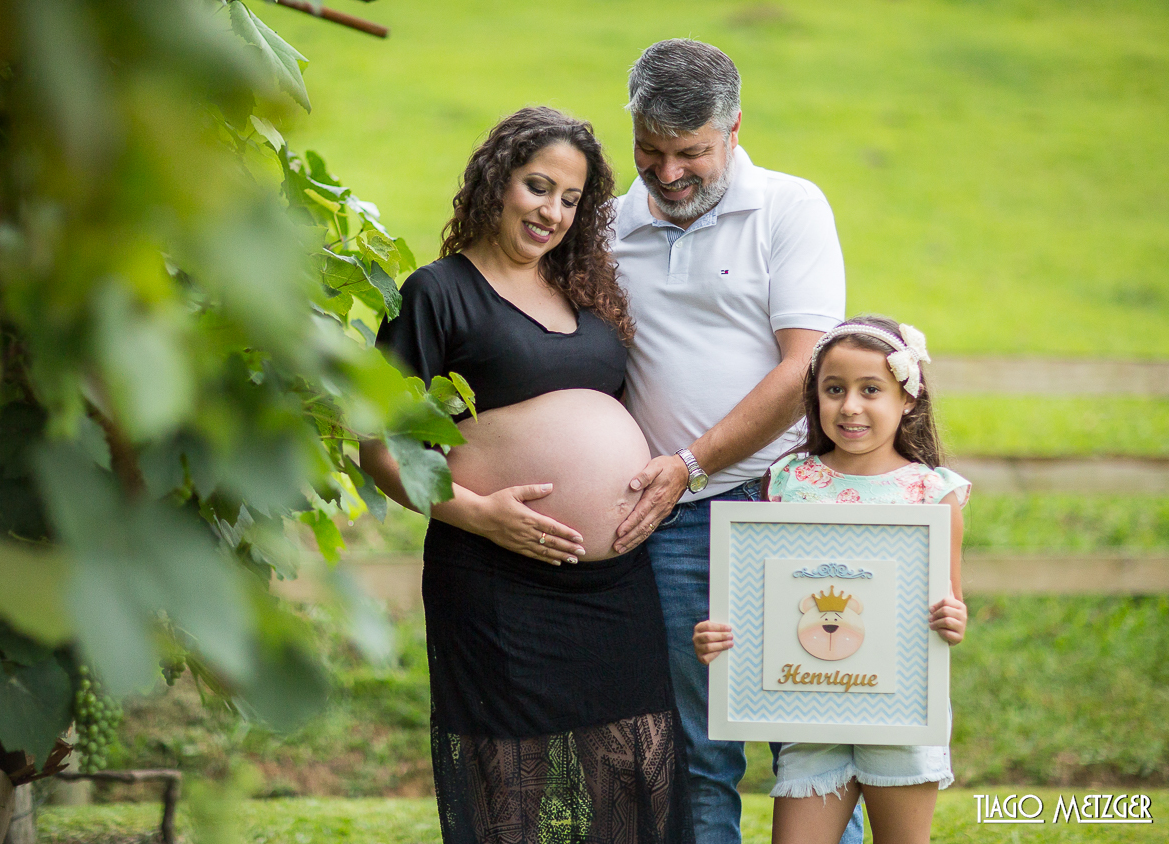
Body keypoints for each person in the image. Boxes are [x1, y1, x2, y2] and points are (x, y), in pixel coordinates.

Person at [361, 106, 694, 844]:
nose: (552, 212)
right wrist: (478, 514)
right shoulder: (436, 293)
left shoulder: (583, 290)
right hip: (494, 576)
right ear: (495, 182)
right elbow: (378, 446)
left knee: (635, 776)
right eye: (538, 188)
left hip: (614, 584)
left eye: (571, 199)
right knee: (509, 790)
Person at [608, 39, 861, 844]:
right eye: (650, 150)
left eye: (691, 152)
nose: (669, 172)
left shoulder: (790, 208)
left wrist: (691, 463)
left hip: (784, 509)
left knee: (811, 747)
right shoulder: (608, 226)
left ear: (735, 128)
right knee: (693, 753)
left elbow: (805, 367)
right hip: (670, 525)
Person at [693, 315, 970, 844]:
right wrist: (722, 637)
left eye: (871, 389)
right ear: (815, 397)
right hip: (809, 710)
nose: (850, 406)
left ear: (908, 397)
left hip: (901, 712)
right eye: (834, 389)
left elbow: (951, 606)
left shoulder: (931, 493)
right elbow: (764, 597)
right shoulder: (790, 481)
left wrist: (952, 620)